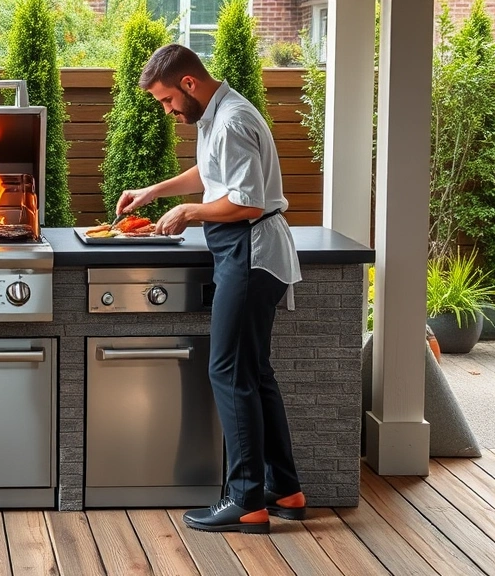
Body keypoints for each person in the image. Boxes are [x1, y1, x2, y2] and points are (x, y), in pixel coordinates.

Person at [116, 44, 307, 534]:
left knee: (228, 372)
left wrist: (189, 212)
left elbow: (244, 203)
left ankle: (245, 500)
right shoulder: (215, 116)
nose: (167, 110)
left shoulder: (231, 120)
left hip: (250, 252)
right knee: (255, 373)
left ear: (189, 84)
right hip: (243, 253)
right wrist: (156, 192)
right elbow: (212, 174)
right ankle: (283, 488)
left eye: (166, 100)